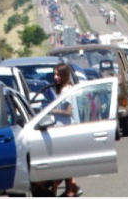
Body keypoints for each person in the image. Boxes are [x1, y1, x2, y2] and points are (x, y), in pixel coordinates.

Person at [50, 63, 82, 197]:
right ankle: (70, 188)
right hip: (61, 131)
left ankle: (66, 189)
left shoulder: (66, 90)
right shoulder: (61, 90)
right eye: (54, 74)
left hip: (66, 131)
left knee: (62, 163)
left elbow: (68, 112)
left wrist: (54, 110)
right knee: (65, 163)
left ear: (64, 75)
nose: (55, 77)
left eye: (58, 74)